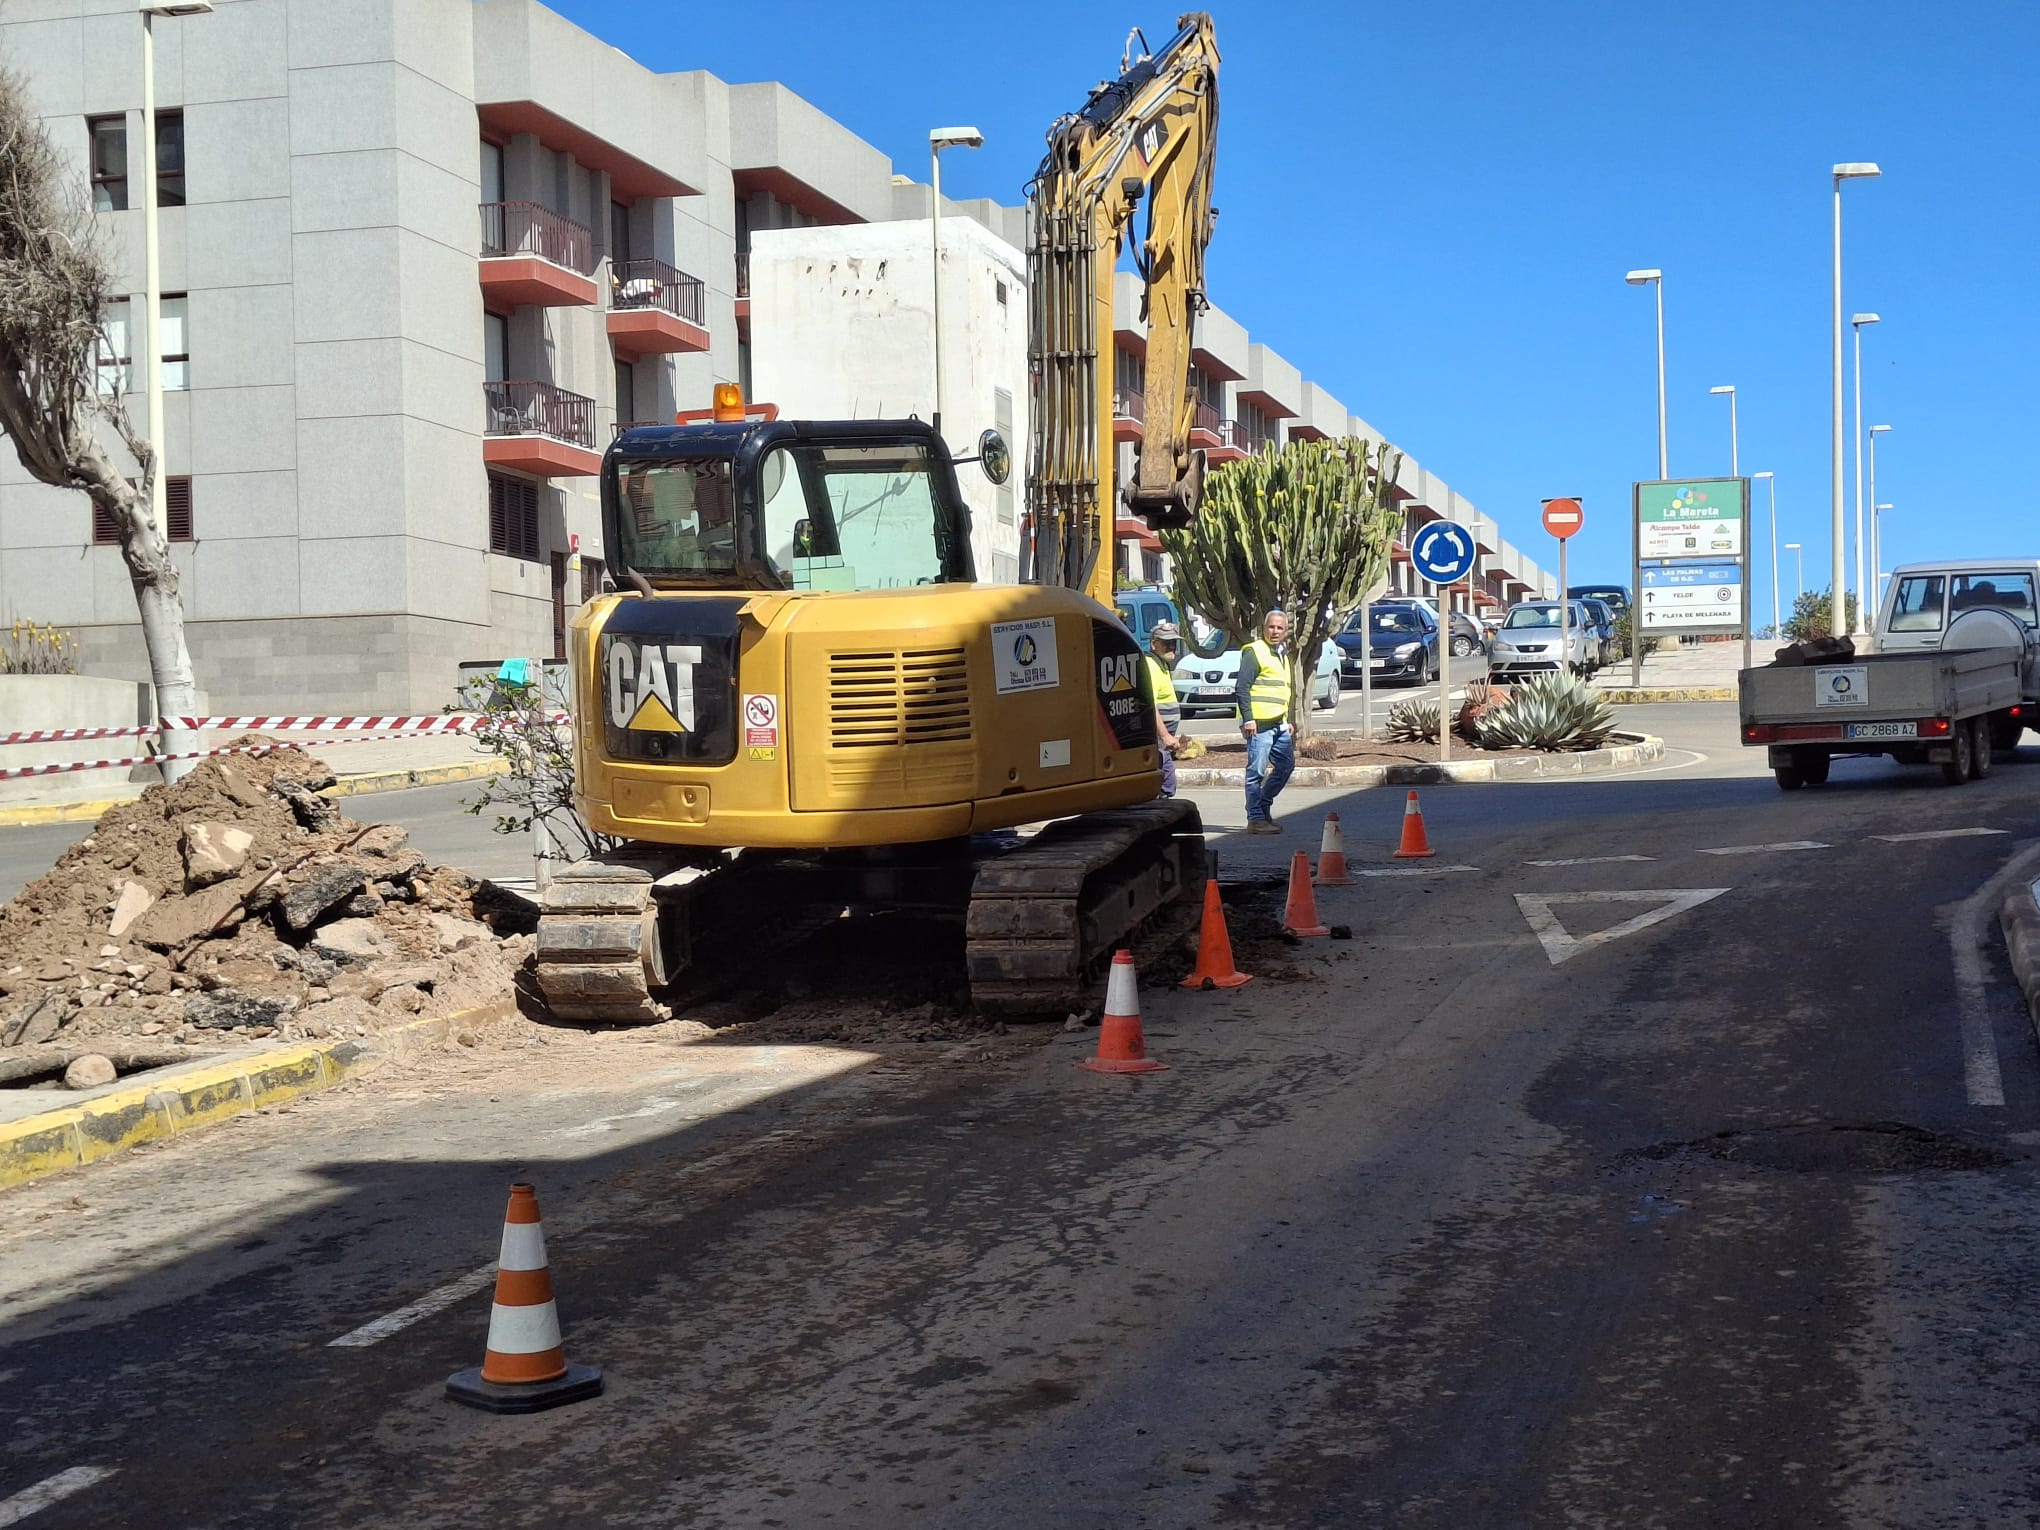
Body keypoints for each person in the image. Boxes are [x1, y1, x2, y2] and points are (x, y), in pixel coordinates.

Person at [1235, 609, 1294, 833]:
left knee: (1286, 766)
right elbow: (1242, 687)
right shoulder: (1255, 651)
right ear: (1264, 628)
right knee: (1256, 773)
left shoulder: (1281, 654)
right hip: (1259, 724)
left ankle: (1262, 806)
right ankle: (1256, 819)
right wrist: (1248, 719)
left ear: (1286, 631)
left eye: (1280, 628)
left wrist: (1287, 720)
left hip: (1278, 723)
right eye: (1271, 627)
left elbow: (1282, 690)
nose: (1275, 631)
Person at [1143, 620, 1185, 797]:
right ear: (1154, 645)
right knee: (1166, 783)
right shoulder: (1151, 666)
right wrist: (1165, 736)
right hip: (1158, 740)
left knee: (1166, 783)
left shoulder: (1161, 664)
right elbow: (1149, 705)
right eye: (1166, 643)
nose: (1171, 646)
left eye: (1173, 642)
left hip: (1162, 741)